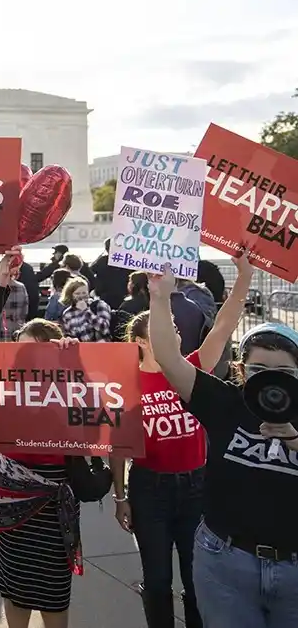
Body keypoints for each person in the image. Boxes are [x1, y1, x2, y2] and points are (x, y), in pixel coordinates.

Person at [149, 261, 298, 627]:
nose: (270, 380)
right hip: (226, 563)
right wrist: (160, 297)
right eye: (258, 370)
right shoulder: (226, 402)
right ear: (241, 370)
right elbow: (168, 359)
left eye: (284, 372)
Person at [109, 255, 251, 628]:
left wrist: (244, 277)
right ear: (141, 341)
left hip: (196, 487)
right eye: (165, 326)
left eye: (173, 326)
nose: (174, 331)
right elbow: (117, 444)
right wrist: (120, 496)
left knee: (196, 579)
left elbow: (224, 326)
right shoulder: (126, 382)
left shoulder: (192, 369)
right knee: (157, 580)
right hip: (149, 489)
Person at [0, 319, 81, 628]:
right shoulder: (9, 384)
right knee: (16, 589)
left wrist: (74, 362)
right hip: (13, 503)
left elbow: (102, 421)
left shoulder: (69, 381)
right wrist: (2, 385)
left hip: (55, 503)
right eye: (24, 350)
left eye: (39, 349)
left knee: (54, 590)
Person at [58, 276, 112, 342]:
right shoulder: (67, 314)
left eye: (84, 293)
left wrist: (86, 311)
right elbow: (68, 335)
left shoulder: (99, 305)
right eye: (77, 293)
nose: (81, 296)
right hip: (82, 347)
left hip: (101, 346)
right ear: (71, 295)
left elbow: (104, 328)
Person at [90, 239, 129, 309]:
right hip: (123, 295)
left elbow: (91, 270)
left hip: (105, 296)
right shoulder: (126, 260)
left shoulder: (102, 261)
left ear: (106, 249)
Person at [111, 271, 150, 340]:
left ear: (134, 284)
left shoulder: (128, 304)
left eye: (130, 281)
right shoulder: (152, 301)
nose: (128, 284)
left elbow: (121, 326)